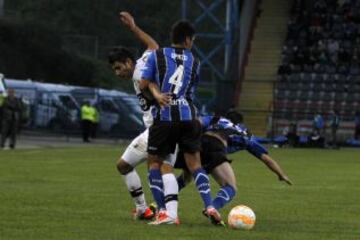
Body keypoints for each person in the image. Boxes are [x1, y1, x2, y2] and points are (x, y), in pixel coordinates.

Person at [140, 20, 223, 226]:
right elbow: (191, 91)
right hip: (189, 118)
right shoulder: (195, 61)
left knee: (155, 163)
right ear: (187, 40)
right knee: (195, 165)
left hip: (165, 118)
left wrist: (156, 93)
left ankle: (163, 212)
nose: (192, 43)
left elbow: (143, 84)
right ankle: (210, 205)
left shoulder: (157, 56)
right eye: (192, 40)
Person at [108, 11, 165, 221]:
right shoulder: (143, 61)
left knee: (155, 168)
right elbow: (153, 46)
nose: (117, 73)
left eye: (118, 67)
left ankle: (162, 211)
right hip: (159, 128)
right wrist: (133, 27)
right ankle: (145, 209)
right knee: (126, 166)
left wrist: (158, 97)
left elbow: (152, 88)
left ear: (128, 62)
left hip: (158, 129)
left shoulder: (141, 74)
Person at [175, 115, 292, 214]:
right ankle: (212, 208)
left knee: (186, 176)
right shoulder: (245, 135)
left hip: (198, 143)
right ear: (241, 122)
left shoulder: (217, 119)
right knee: (230, 187)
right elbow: (266, 159)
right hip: (216, 146)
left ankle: (163, 202)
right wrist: (281, 175)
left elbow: (197, 121)